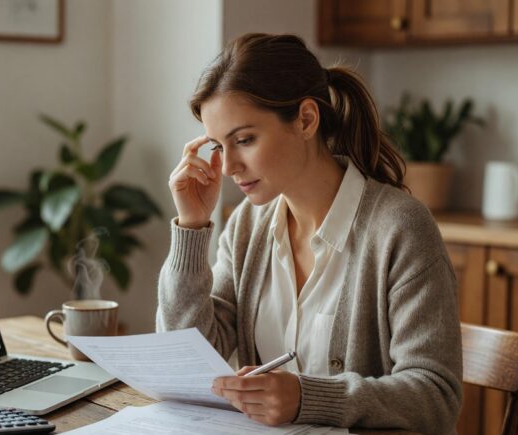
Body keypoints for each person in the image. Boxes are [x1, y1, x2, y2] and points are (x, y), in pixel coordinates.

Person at [157, 33, 462, 434]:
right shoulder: (248, 225)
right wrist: (192, 228)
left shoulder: (400, 229)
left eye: (244, 140)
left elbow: (435, 397)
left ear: (305, 119)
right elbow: (186, 362)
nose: (229, 165)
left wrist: (307, 397)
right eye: (217, 146)